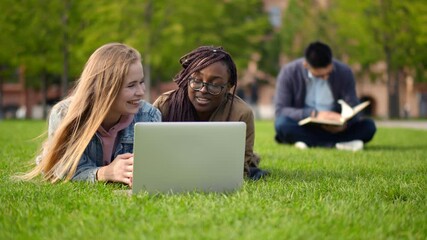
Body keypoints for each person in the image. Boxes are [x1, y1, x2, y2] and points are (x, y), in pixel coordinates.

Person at [18, 43, 161, 185]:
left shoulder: (149, 115)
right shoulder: (64, 114)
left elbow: (155, 168)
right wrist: (105, 172)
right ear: (105, 88)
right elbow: (61, 169)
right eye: (131, 85)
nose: (141, 92)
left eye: (141, 82)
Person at [153, 46, 268, 180]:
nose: (202, 90)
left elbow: (239, 170)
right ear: (187, 78)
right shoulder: (165, 105)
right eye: (196, 81)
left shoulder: (241, 114)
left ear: (228, 87)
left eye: (215, 84)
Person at [274, 41, 376, 151]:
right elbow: (281, 110)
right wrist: (314, 114)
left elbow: (352, 105)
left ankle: (307, 142)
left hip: (337, 127)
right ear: (306, 65)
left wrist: (344, 123)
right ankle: (339, 143)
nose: (325, 77)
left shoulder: (344, 72)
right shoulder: (289, 72)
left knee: (369, 126)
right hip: (305, 126)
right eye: (320, 75)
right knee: (282, 124)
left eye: (328, 73)